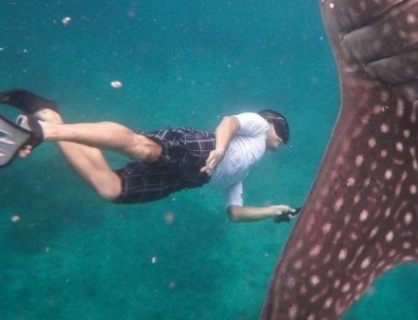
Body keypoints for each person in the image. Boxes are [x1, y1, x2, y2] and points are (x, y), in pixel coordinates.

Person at [0, 88, 298, 223]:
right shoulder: (259, 127)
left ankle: (49, 116)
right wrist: (219, 149)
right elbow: (229, 122)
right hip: (203, 149)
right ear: (272, 123)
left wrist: (272, 210)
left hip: (190, 178)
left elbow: (235, 214)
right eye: (282, 132)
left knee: (111, 189)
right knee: (138, 145)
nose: (283, 140)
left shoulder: (243, 173)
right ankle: (46, 132)